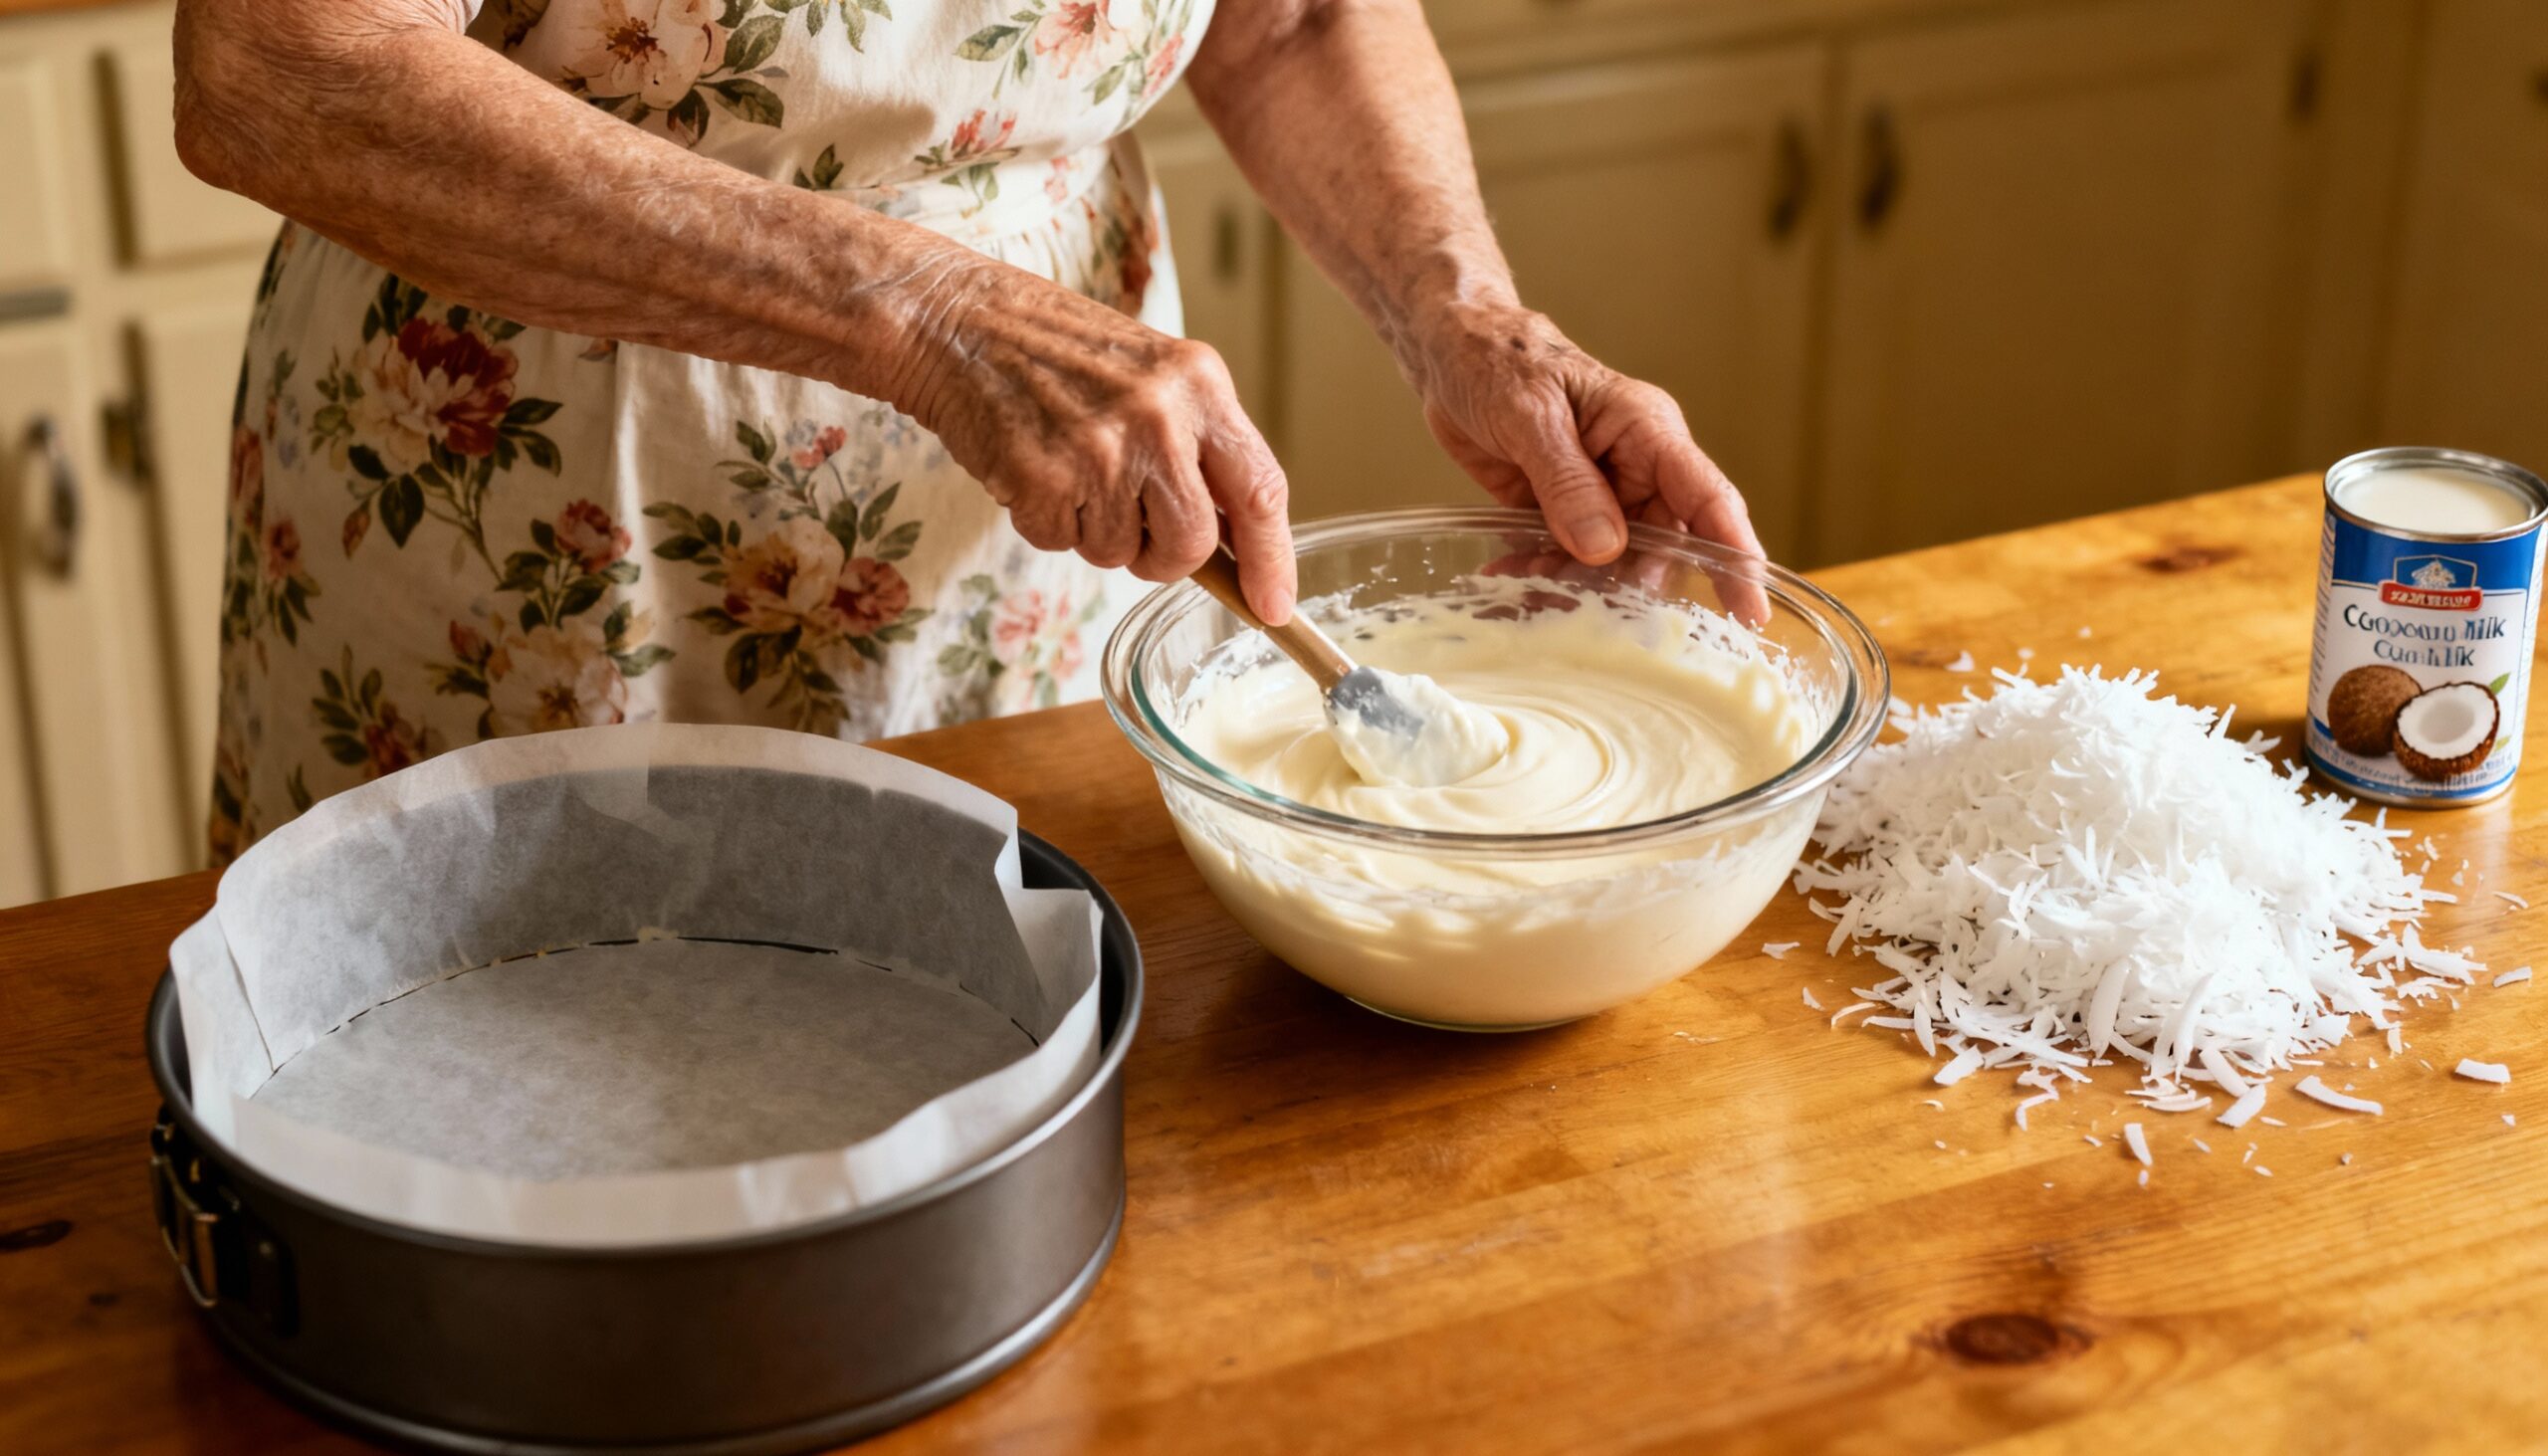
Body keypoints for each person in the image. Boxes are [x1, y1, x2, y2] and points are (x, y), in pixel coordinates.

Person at [173, 0, 1762, 858]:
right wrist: (930, 315)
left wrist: (1467, 314)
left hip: (1062, 519)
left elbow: (1288, 21)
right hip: (541, 513)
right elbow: (278, 61)